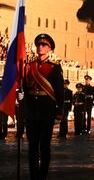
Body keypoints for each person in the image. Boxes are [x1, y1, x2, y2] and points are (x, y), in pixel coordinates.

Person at [21, 33, 64, 180]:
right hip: (32, 111)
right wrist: (21, 97)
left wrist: (59, 112)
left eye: (44, 45)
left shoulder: (54, 68)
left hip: (47, 111)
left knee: (44, 147)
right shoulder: (29, 66)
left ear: (50, 49)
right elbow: (26, 88)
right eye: (39, 44)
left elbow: (59, 92)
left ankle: (42, 176)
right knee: (32, 146)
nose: (40, 47)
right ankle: (34, 176)